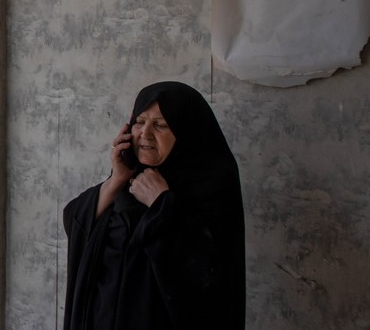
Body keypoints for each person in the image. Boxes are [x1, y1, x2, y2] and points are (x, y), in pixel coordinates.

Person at [62, 81, 244, 330]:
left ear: (186, 132)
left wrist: (162, 204)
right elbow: (76, 222)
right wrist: (116, 180)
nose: (144, 134)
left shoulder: (212, 184)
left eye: (160, 125)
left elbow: (211, 274)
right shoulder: (129, 177)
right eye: (139, 121)